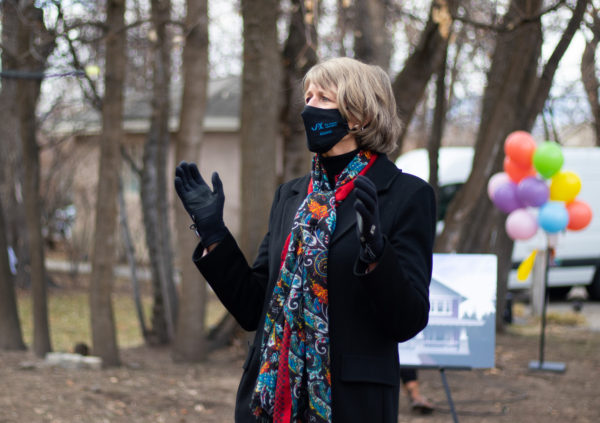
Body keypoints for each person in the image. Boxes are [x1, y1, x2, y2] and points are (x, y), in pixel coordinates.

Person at [174, 57, 436, 423]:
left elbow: (408, 320)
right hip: (270, 399)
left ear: (359, 115)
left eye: (323, 98)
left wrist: (378, 254)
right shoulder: (292, 196)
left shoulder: (406, 195)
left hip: (350, 404)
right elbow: (253, 307)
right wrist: (214, 235)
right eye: (308, 96)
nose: (308, 107)